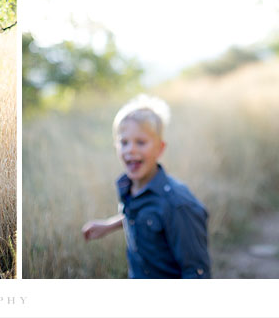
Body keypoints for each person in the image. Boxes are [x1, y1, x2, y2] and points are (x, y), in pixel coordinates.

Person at [81, 95, 211, 278]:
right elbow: (140, 213)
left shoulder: (178, 205)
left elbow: (197, 271)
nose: (130, 150)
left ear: (160, 148)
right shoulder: (130, 188)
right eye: (124, 142)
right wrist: (110, 225)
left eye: (140, 142)